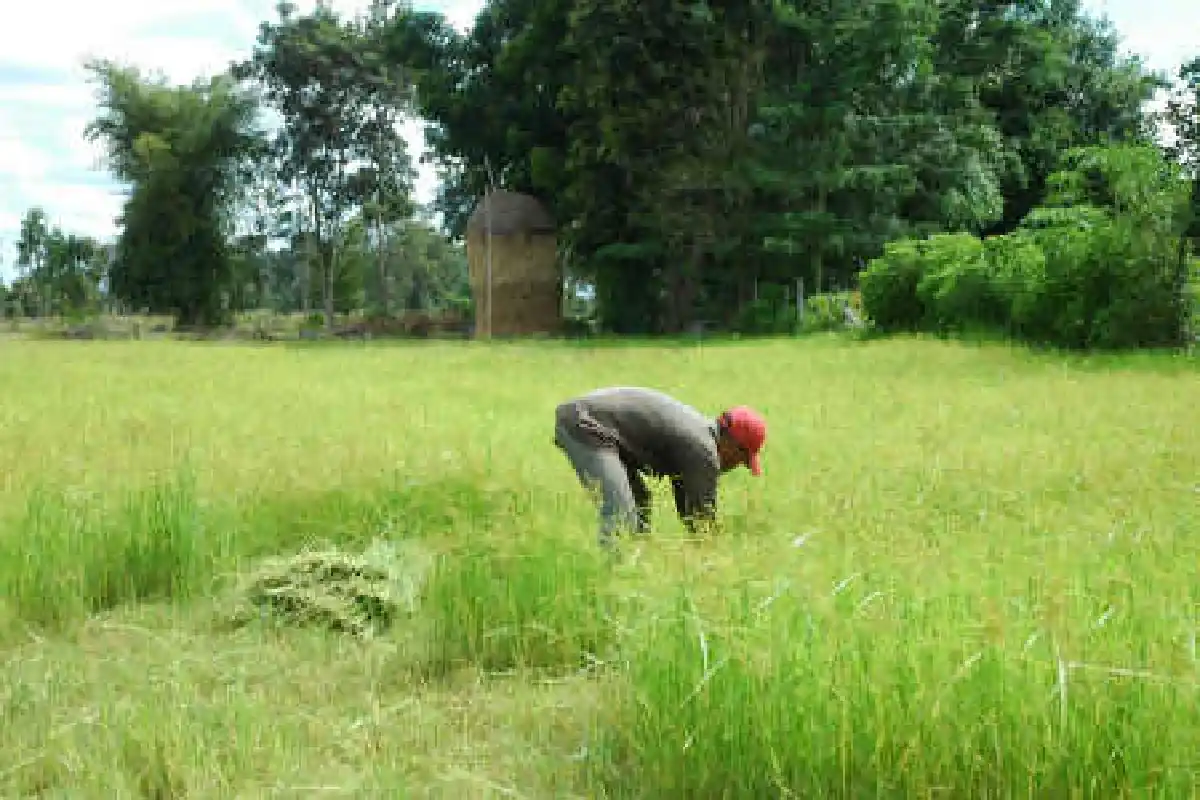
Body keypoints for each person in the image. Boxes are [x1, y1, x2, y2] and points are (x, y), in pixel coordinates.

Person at [553, 386, 767, 549]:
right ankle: (615, 578)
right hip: (587, 425)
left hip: (594, 424)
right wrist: (718, 561)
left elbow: (688, 510)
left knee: (639, 501)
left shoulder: (698, 440)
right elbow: (702, 523)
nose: (734, 467)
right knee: (621, 513)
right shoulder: (703, 451)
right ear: (732, 444)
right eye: (741, 460)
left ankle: (635, 567)